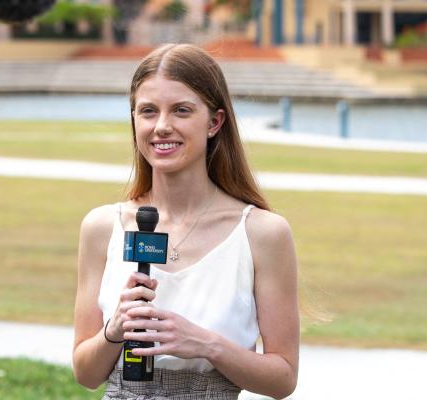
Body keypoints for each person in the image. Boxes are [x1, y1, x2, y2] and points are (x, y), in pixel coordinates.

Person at [72, 44, 299, 400]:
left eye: (181, 111)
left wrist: (206, 345)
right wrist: (114, 330)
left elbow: (283, 378)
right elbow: (86, 373)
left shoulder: (262, 233)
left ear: (214, 122)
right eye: (148, 111)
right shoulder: (102, 227)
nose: (162, 126)